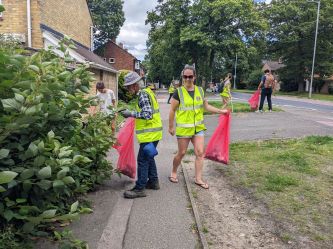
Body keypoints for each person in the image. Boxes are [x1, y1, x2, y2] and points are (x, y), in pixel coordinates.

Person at [168, 64, 228, 189]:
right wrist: (170, 126)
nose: (188, 79)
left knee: (200, 153)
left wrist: (220, 111)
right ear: (182, 77)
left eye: (190, 76)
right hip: (184, 129)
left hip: (198, 128)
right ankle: (174, 171)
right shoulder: (178, 92)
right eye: (185, 76)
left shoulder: (200, 90)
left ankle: (198, 178)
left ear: (194, 77)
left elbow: (206, 107)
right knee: (182, 153)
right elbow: (172, 110)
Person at [120, 71, 163, 198]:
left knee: (142, 160)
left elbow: (147, 114)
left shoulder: (143, 95)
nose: (128, 90)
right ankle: (154, 182)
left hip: (149, 134)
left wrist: (131, 114)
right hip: (153, 133)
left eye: (128, 87)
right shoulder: (148, 92)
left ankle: (140, 188)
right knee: (149, 157)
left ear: (134, 85)